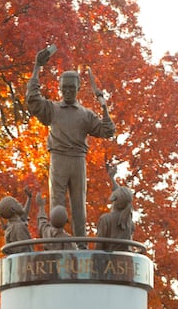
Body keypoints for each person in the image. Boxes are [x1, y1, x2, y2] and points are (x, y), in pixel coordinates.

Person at [26, 48, 116, 238]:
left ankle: (81, 244)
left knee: (78, 205)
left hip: (77, 160)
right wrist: (37, 67)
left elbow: (107, 131)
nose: (67, 91)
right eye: (64, 87)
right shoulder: (52, 109)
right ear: (60, 88)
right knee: (57, 203)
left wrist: (104, 106)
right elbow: (33, 101)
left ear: (78, 88)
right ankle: (57, 240)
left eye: (71, 87)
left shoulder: (85, 114)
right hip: (58, 159)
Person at [95, 162, 134, 251]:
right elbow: (123, 195)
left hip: (106, 261)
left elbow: (99, 247)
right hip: (125, 261)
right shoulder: (129, 222)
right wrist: (112, 178)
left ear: (115, 202)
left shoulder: (106, 219)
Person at [0, 189, 33, 253]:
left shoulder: (11, 225)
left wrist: (29, 198)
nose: (20, 203)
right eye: (17, 203)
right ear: (13, 209)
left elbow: (24, 213)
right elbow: (24, 248)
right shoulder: (18, 226)